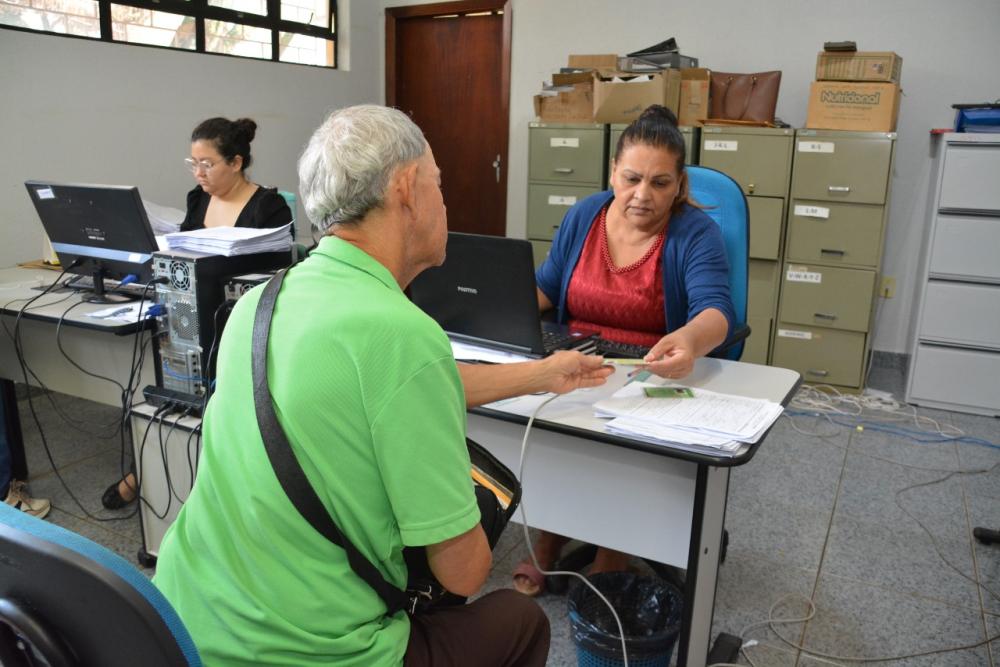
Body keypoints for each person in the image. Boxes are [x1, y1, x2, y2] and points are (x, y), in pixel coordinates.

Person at [152, 104, 612, 666]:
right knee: (517, 620)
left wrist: (540, 374)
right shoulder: (402, 334)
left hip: (184, 621)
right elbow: (462, 574)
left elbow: (379, 389)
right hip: (303, 654)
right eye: (438, 184)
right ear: (406, 189)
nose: (445, 201)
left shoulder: (261, 302)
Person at [513, 104, 736, 597]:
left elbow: (716, 311)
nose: (642, 195)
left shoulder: (694, 232)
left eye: (660, 183)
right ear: (613, 172)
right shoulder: (584, 215)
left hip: (648, 372)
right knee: (549, 424)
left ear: (679, 185)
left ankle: (614, 550)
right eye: (632, 178)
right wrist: (495, 307)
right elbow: (548, 287)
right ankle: (551, 536)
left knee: (619, 443)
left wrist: (689, 339)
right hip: (579, 360)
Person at [102, 116, 294, 510]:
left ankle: (215, 480)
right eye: (193, 163)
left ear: (236, 162)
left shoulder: (267, 206)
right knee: (164, 386)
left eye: (207, 163)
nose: (199, 172)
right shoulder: (198, 199)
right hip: (188, 315)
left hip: (240, 322)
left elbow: (278, 276)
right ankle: (151, 466)